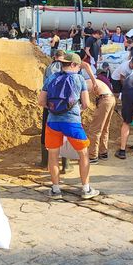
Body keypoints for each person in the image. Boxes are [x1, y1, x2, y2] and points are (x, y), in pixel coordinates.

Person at [38, 53, 100, 200]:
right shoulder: (79, 79)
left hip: (52, 122)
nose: (79, 68)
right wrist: (76, 109)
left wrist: (54, 108)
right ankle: (86, 189)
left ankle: (55, 189)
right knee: (83, 154)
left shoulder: (51, 78)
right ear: (73, 64)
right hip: (72, 122)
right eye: (78, 66)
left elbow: (41, 101)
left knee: (53, 155)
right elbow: (86, 104)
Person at [85, 68, 115, 164]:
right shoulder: (92, 81)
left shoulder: (84, 84)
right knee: (105, 127)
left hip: (104, 100)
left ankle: (92, 156)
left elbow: (83, 101)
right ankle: (103, 152)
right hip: (110, 99)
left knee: (95, 129)